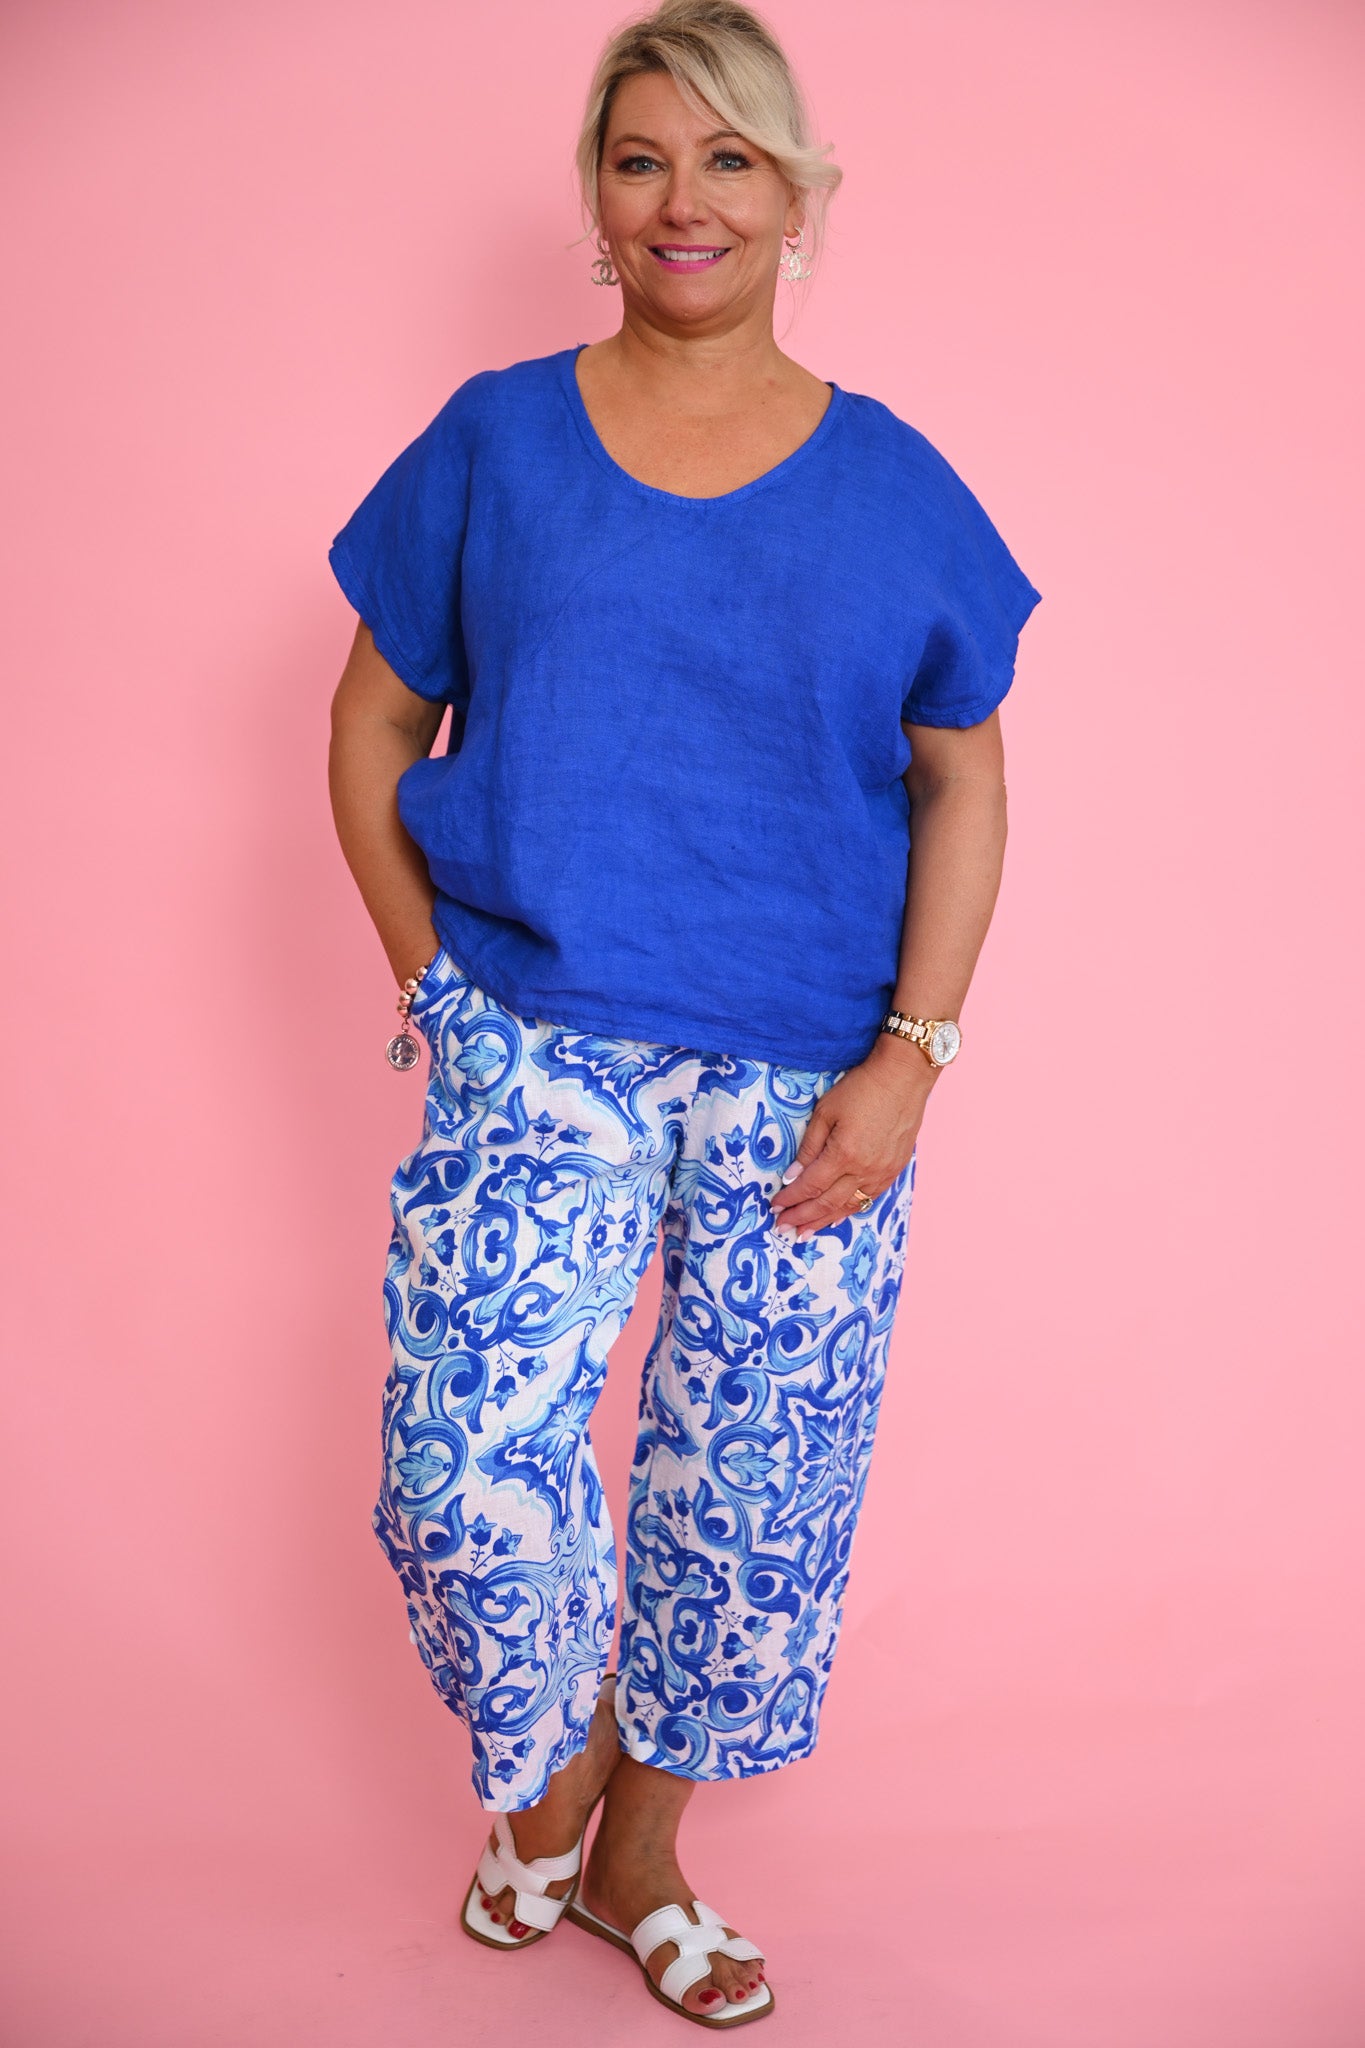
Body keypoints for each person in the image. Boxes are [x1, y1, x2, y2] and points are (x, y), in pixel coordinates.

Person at [327, 0, 1040, 2026]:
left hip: (807, 1071)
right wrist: (434, 984)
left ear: (796, 198)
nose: (682, 200)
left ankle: (635, 1861)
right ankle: (550, 1783)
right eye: (641, 159)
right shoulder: (496, 442)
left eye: (728, 159)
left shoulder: (892, 483)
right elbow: (371, 724)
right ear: (596, 195)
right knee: (463, 1467)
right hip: (537, 1032)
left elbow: (967, 780)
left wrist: (913, 1057)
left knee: (750, 1499)